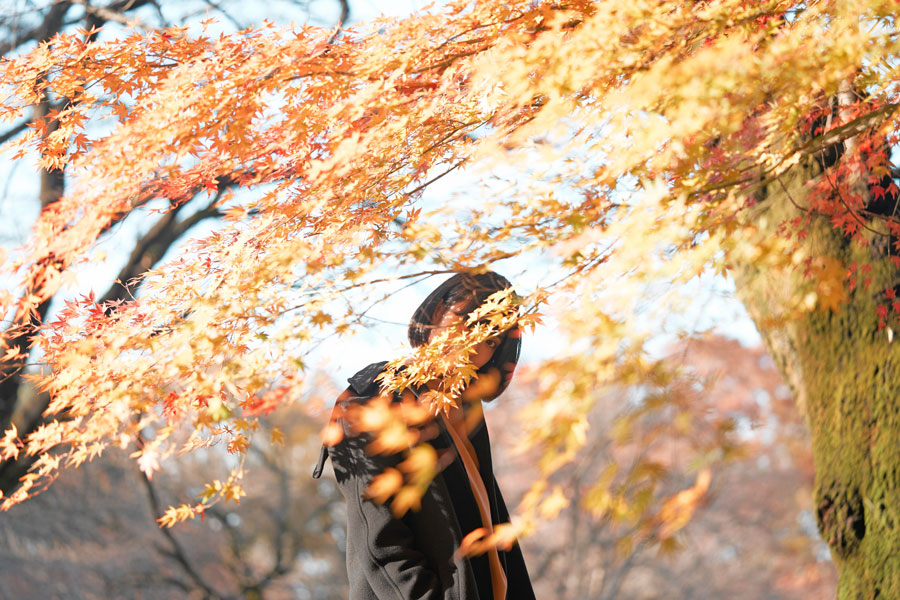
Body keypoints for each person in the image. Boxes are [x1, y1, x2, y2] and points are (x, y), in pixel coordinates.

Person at [312, 271, 536, 600]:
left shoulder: (465, 410)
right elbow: (382, 544)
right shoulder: (372, 397)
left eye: (491, 340)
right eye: (468, 322)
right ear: (435, 315)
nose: (476, 344)